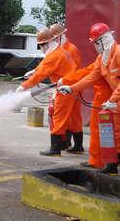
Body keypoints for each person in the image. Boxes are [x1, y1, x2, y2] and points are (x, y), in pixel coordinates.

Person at [58, 22, 120, 174]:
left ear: (102, 40)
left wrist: (113, 100)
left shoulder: (118, 53)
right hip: (116, 101)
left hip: (116, 100)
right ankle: (111, 165)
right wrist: (71, 88)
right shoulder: (102, 59)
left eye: (95, 42)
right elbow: (90, 78)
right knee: (114, 133)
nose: (95, 46)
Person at [16, 28, 77, 156]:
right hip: (70, 86)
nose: (41, 49)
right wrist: (34, 70)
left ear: (46, 44)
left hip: (65, 89)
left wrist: (23, 87)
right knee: (65, 117)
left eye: (40, 46)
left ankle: (55, 149)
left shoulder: (54, 55)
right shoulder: (59, 50)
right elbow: (44, 65)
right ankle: (64, 144)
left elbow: (42, 74)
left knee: (58, 117)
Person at [50, 24, 84, 153]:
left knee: (59, 115)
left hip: (67, 87)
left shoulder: (69, 50)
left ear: (59, 36)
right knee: (75, 117)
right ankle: (78, 146)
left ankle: (56, 147)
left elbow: (72, 71)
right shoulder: (67, 48)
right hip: (74, 86)